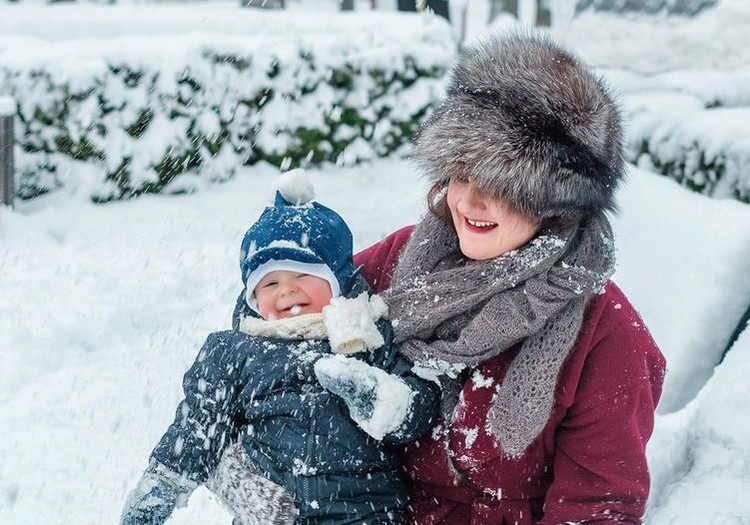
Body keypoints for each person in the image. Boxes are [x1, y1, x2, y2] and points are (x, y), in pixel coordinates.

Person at [350, 32, 667, 525]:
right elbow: (289, 307)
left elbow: (595, 509)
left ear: (555, 203)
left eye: (503, 186)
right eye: (463, 174)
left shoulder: (606, 336)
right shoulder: (400, 257)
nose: (471, 203)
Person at [120, 172, 439, 525]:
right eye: (269, 283)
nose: (286, 291)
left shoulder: (365, 335)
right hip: (274, 512)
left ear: (336, 281)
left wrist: (374, 396)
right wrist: (162, 484)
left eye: (303, 275)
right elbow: (199, 424)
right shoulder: (235, 350)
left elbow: (418, 409)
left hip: (366, 511)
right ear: (253, 298)